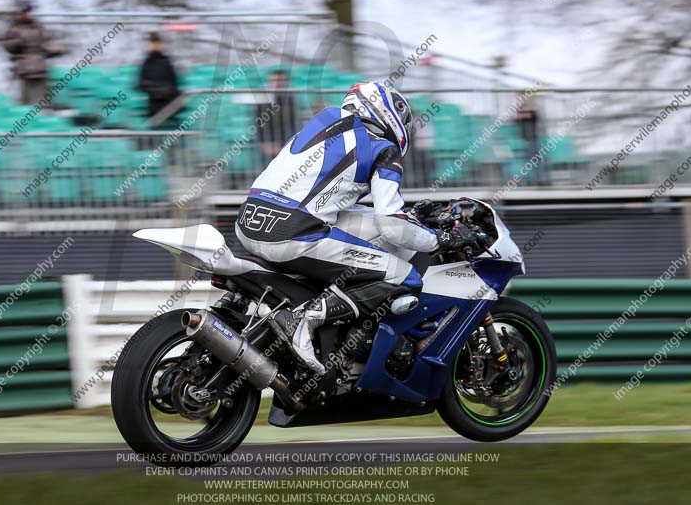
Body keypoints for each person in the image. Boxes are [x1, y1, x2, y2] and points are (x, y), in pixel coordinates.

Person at [235, 81, 478, 374]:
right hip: (291, 234)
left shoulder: (322, 123)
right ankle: (305, 321)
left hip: (249, 222)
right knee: (405, 277)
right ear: (387, 112)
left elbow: (335, 201)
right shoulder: (383, 147)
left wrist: (410, 215)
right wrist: (441, 239)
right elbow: (391, 228)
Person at [1, 2, 49, 105]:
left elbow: (44, 41)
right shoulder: (13, 27)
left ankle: (46, 113)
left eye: (29, 12)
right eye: (24, 13)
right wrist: (18, 42)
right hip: (23, 68)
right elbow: (6, 44)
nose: (27, 15)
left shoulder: (37, 26)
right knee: (25, 99)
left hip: (39, 66)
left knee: (44, 97)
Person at [257, 69, 299, 161]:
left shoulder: (290, 99)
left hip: (286, 143)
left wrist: (287, 144)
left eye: (280, 81)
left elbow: (292, 122)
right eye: (275, 80)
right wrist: (265, 143)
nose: (277, 84)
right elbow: (258, 123)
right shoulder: (263, 99)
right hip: (268, 144)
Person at [138, 32, 180, 120]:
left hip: (168, 105)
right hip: (154, 105)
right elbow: (141, 84)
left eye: (157, 43)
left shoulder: (167, 62)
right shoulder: (147, 63)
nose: (155, 46)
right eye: (153, 43)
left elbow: (174, 85)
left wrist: (164, 91)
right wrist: (157, 91)